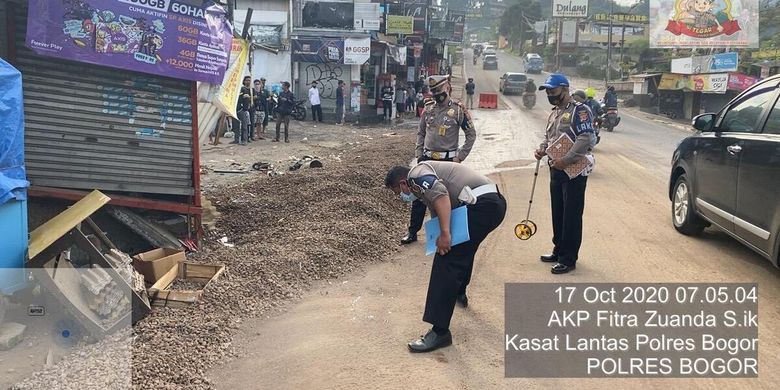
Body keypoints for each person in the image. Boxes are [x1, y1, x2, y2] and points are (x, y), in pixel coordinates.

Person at [385, 162, 507, 353]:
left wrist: (445, 234)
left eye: (396, 192)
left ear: (402, 183)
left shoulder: (416, 175)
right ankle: (459, 292)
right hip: (491, 203)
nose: (400, 196)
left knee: (447, 259)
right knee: (463, 249)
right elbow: (437, 207)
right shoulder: (422, 179)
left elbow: (441, 196)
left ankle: (440, 331)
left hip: (482, 205)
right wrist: (439, 234)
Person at [402, 75, 477, 247]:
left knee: (449, 197)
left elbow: (471, 135)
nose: (436, 94)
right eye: (433, 91)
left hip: (448, 161)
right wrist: (419, 154)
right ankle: (412, 231)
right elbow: (421, 133)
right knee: (419, 196)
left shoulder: (458, 110)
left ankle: (450, 234)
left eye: (439, 90)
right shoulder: (428, 108)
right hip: (427, 159)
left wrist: (460, 157)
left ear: (448, 87)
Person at [534, 74, 596, 274]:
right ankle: (558, 249)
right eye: (548, 92)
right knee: (558, 212)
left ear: (565, 89)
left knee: (571, 215)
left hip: (573, 171)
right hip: (556, 168)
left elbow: (585, 138)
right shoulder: (554, 113)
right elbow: (549, 137)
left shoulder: (581, 111)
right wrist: (542, 149)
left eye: (553, 91)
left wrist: (566, 160)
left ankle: (568, 259)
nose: (550, 95)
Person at [232, 76, 252, 145]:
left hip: (244, 110)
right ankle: (236, 139)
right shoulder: (241, 89)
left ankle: (244, 140)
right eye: (247, 80)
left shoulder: (251, 90)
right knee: (236, 126)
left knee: (244, 126)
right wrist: (242, 96)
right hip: (237, 109)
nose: (248, 82)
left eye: (249, 80)